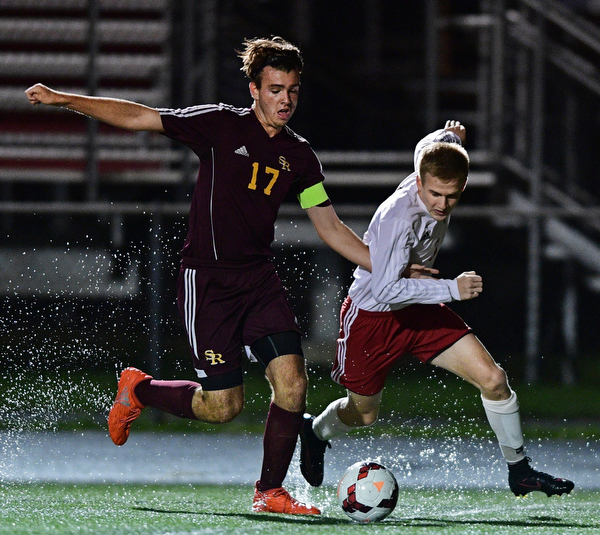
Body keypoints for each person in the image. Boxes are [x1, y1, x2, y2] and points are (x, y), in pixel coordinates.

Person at [25, 36, 371, 515]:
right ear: (254, 89)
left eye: (293, 89)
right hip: (208, 282)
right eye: (275, 89)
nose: (285, 99)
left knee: (292, 384)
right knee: (222, 407)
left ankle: (270, 492)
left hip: (259, 280)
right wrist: (67, 101)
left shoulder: (301, 157)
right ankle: (138, 389)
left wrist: (390, 265)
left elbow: (330, 227)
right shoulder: (221, 126)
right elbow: (141, 116)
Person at [299, 120, 575, 498]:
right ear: (418, 180)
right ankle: (314, 432)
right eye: (434, 194)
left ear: (462, 184)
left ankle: (520, 470)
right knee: (363, 414)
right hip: (373, 315)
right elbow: (386, 289)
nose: (441, 205)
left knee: (494, 380)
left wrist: (455, 136)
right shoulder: (400, 217)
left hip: (419, 308)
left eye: (452, 195)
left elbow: (434, 143)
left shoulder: (437, 157)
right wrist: (451, 288)